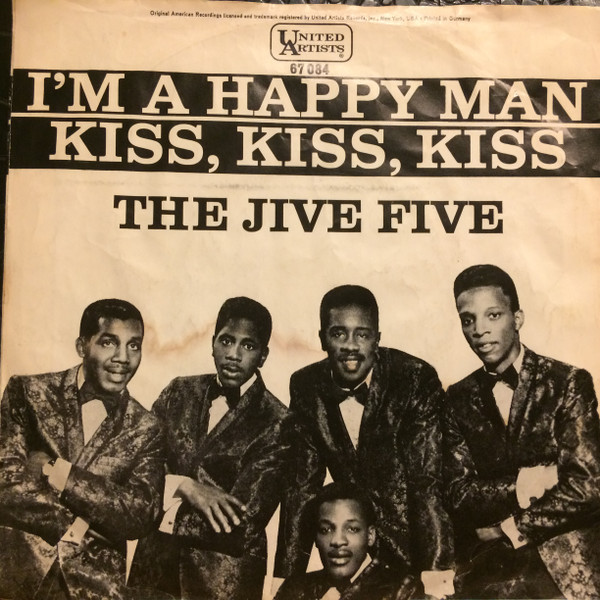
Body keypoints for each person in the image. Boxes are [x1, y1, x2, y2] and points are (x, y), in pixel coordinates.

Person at [276, 285, 454, 599]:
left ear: (377, 339)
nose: (350, 346)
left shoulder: (414, 378)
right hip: (354, 555)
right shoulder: (306, 386)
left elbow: (427, 484)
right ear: (322, 339)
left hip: (417, 550)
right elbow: (301, 490)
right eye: (338, 334)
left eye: (362, 334)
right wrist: (284, 585)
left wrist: (437, 577)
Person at [444, 264, 600, 599]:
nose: (479, 330)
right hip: (491, 569)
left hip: (565, 567)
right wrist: (530, 481)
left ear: (518, 318)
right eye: (468, 320)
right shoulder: (457, 398)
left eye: (493, 315)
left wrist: (508, 528)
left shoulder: (567, 382)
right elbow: (458, 494)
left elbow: (587, 488)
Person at [0, 298, 165, 600]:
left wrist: (57, 472)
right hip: (19, 575)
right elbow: (6, 483)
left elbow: (140, 515)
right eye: (108, 342)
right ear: (82, 346)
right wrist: (76, 525)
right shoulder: (28, 393)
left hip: (94, 588)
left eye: (134, 345)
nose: (123, 357)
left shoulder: (147, 427)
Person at [130, 296, 288, 600]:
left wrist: (154, 503)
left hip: (221, 587)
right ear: (212, 342)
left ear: (263, 356)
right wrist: (185, 487)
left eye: (248, 346)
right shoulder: (179, 390)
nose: (234, 355)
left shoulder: (278, 421)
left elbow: (240, 525)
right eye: (226, 341)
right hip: (150, 574)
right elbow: (138, 464)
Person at [276, 482, 417, 600]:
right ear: (316, 539)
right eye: (325, 530)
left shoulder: (403, 590)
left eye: (352, 529)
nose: (338, 541)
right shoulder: (294, 590)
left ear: (370, 536)